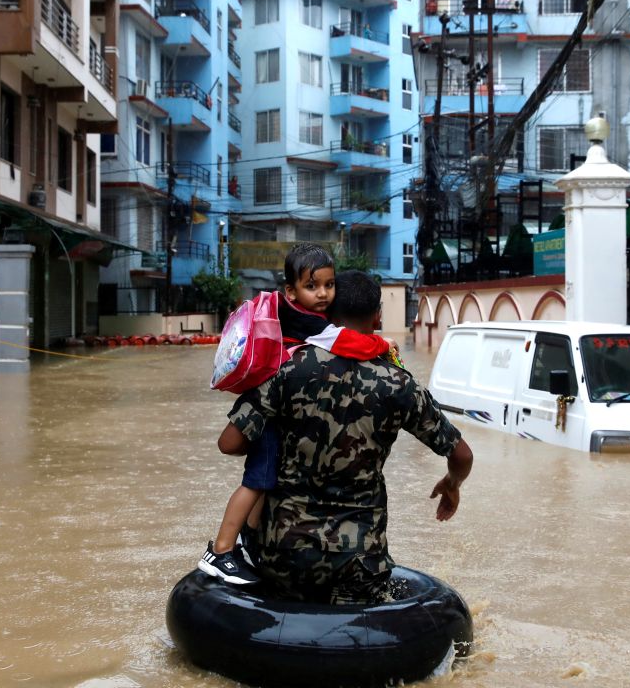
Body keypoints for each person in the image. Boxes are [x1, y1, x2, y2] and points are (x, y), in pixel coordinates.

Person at [217, 270, 473, 604]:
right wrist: (452, 484)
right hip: (360, 563)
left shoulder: (289, 368)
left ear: (326, 314)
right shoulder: (399, 384)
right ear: (378, 316)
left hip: (283, 556)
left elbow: (230, 443)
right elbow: (461, 454)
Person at [199, 246, 392, 585]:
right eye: (313, 286)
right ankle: (221, 550)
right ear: (292, 291)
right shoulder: (311, 324)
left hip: (271, 408)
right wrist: (383, 346)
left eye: (329, 286)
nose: (322, 294)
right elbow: (353, 344)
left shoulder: (287, 308)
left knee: (267, 478)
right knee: (256, 481)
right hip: (271, 413)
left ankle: (249, 540)